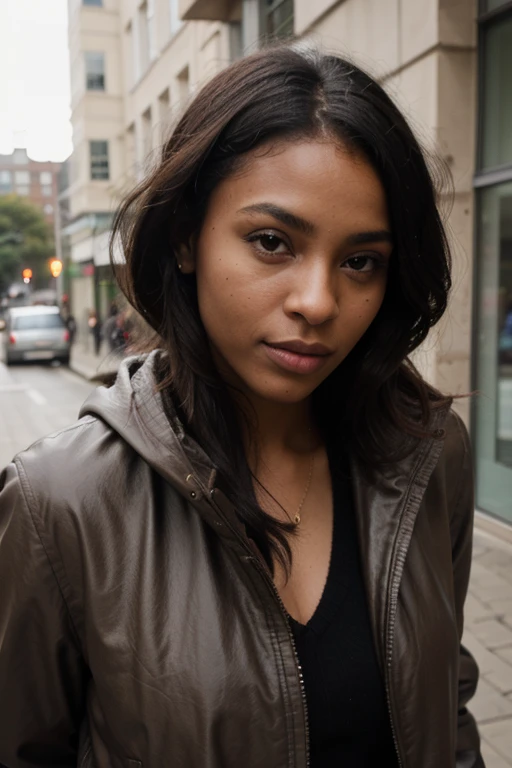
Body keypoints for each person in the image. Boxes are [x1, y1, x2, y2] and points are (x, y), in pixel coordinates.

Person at [0, 44, 483, 768]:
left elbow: (446, 702)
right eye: (271, 242)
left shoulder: (431, 450)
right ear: (189, 236)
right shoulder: (59, 502)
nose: (318, 302)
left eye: (361, 261)